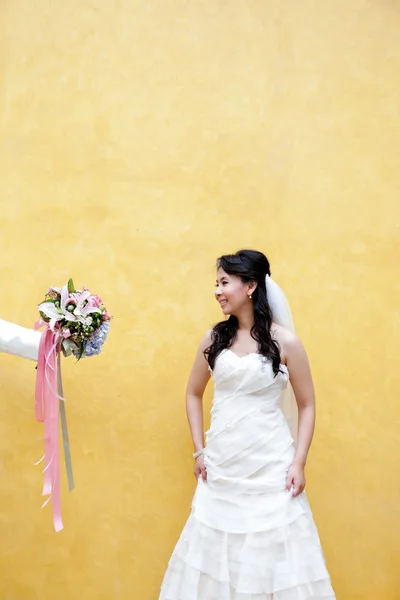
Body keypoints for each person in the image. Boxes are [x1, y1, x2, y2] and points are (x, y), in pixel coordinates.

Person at [159, 249, 336, 599]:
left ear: (251, 285)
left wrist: (298, 461)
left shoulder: (285, 342)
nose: (218, 291)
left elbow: (307, 404)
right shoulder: (214, 339)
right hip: (222, 466)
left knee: (274, 548)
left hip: (271, 465)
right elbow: (193, 393)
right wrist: (199, 449)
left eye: (225, 282)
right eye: (217, 283)